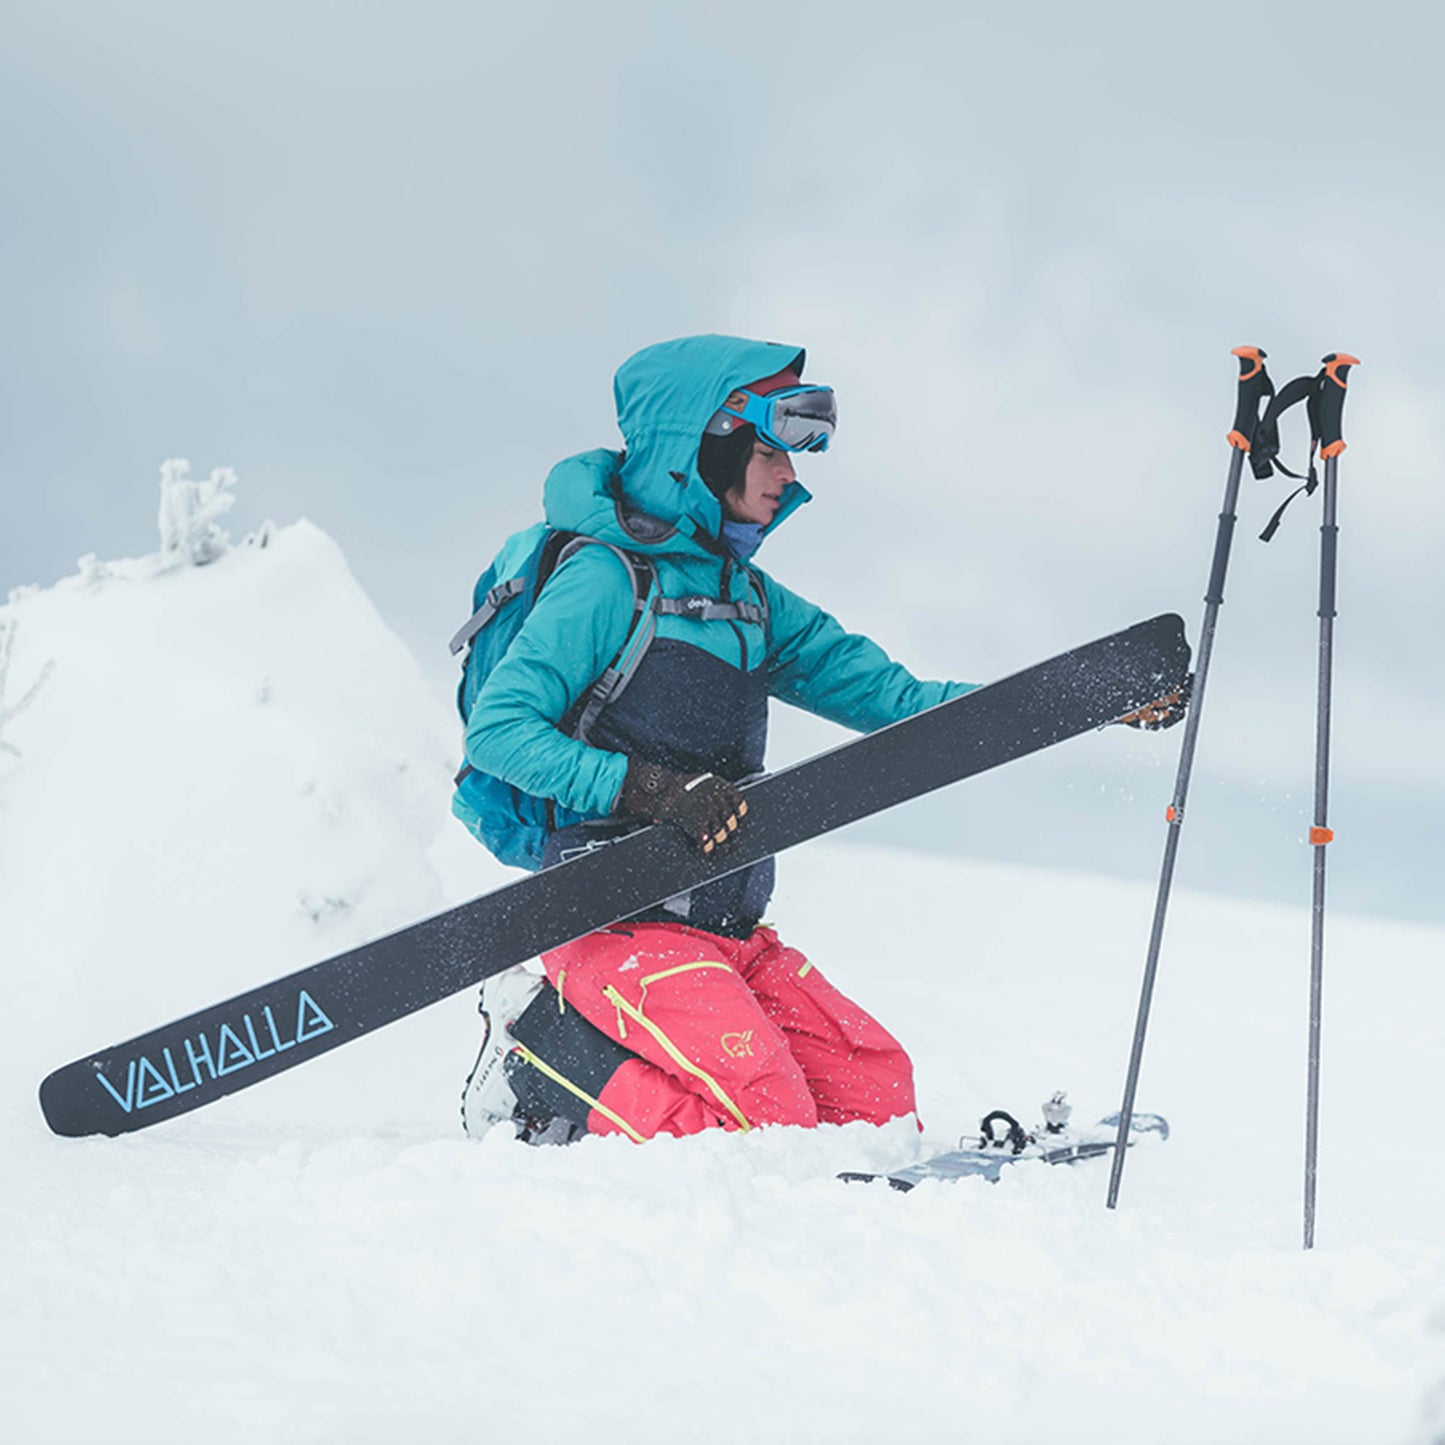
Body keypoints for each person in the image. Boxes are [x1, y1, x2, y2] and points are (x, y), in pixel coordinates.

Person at [456, 334, 1176, 1145]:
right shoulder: (605, 579)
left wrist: (1080, 701)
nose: (789, 477)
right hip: (612, 920)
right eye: (769, 452)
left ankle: (621, 1056)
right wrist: (652, 791)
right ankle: (542, 1051)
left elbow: (899, 702)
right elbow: (500, 732)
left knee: (877, 1098)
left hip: (723, 925)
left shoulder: (754, 603)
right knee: (763, 1120)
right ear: (700, 447)